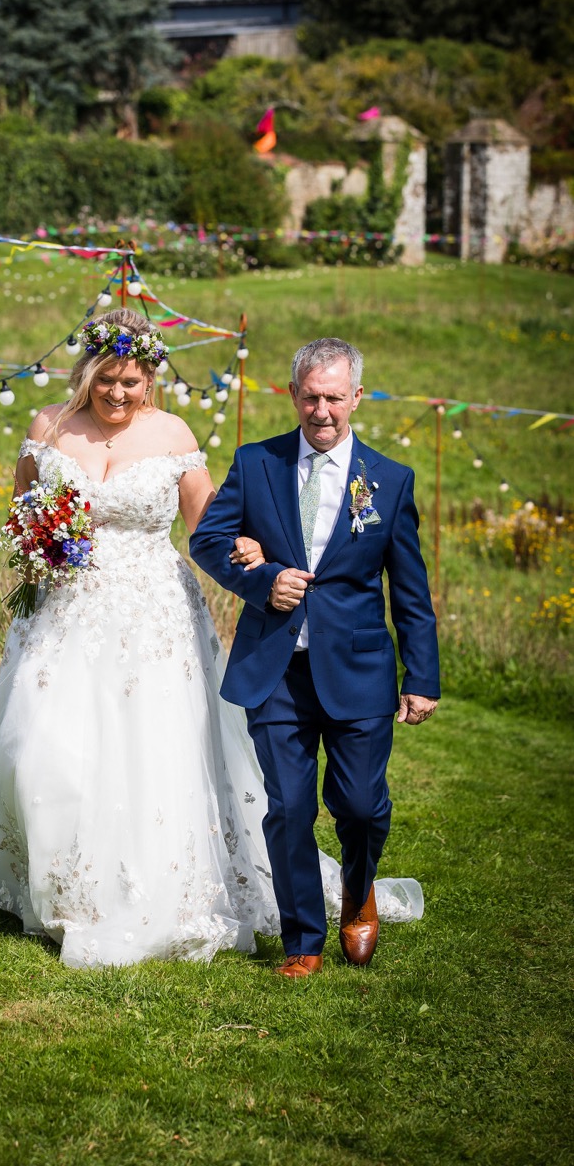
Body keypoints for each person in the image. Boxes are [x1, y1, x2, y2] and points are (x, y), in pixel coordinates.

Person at [0, 315, 424, 969]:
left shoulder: (172, 434)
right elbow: (21, 509)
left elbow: (207, 521)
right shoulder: (46, 427)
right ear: (85, 373)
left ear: (149, 377)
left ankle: (179, 892)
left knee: (151, 756)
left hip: (152, 613)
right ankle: (59, 889)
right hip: (63, 611)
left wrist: (249, 553)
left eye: (131, 381)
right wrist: (38, 543)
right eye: (106, 381)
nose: (118, 393)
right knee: (37, 747)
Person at [190, 337, 439, 979]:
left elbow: (409, 591)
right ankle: (303, 941)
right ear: (292, 394)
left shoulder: (389, 480)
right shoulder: (257, 463)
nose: (321, 410)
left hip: (358, 670)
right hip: (275, 669)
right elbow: (208, 539)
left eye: (334, 396)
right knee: (291, 806)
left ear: (357, 396)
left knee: (358, 805)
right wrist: (260, 579)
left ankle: (359, 890)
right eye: (310, 396)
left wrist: (423, 676)